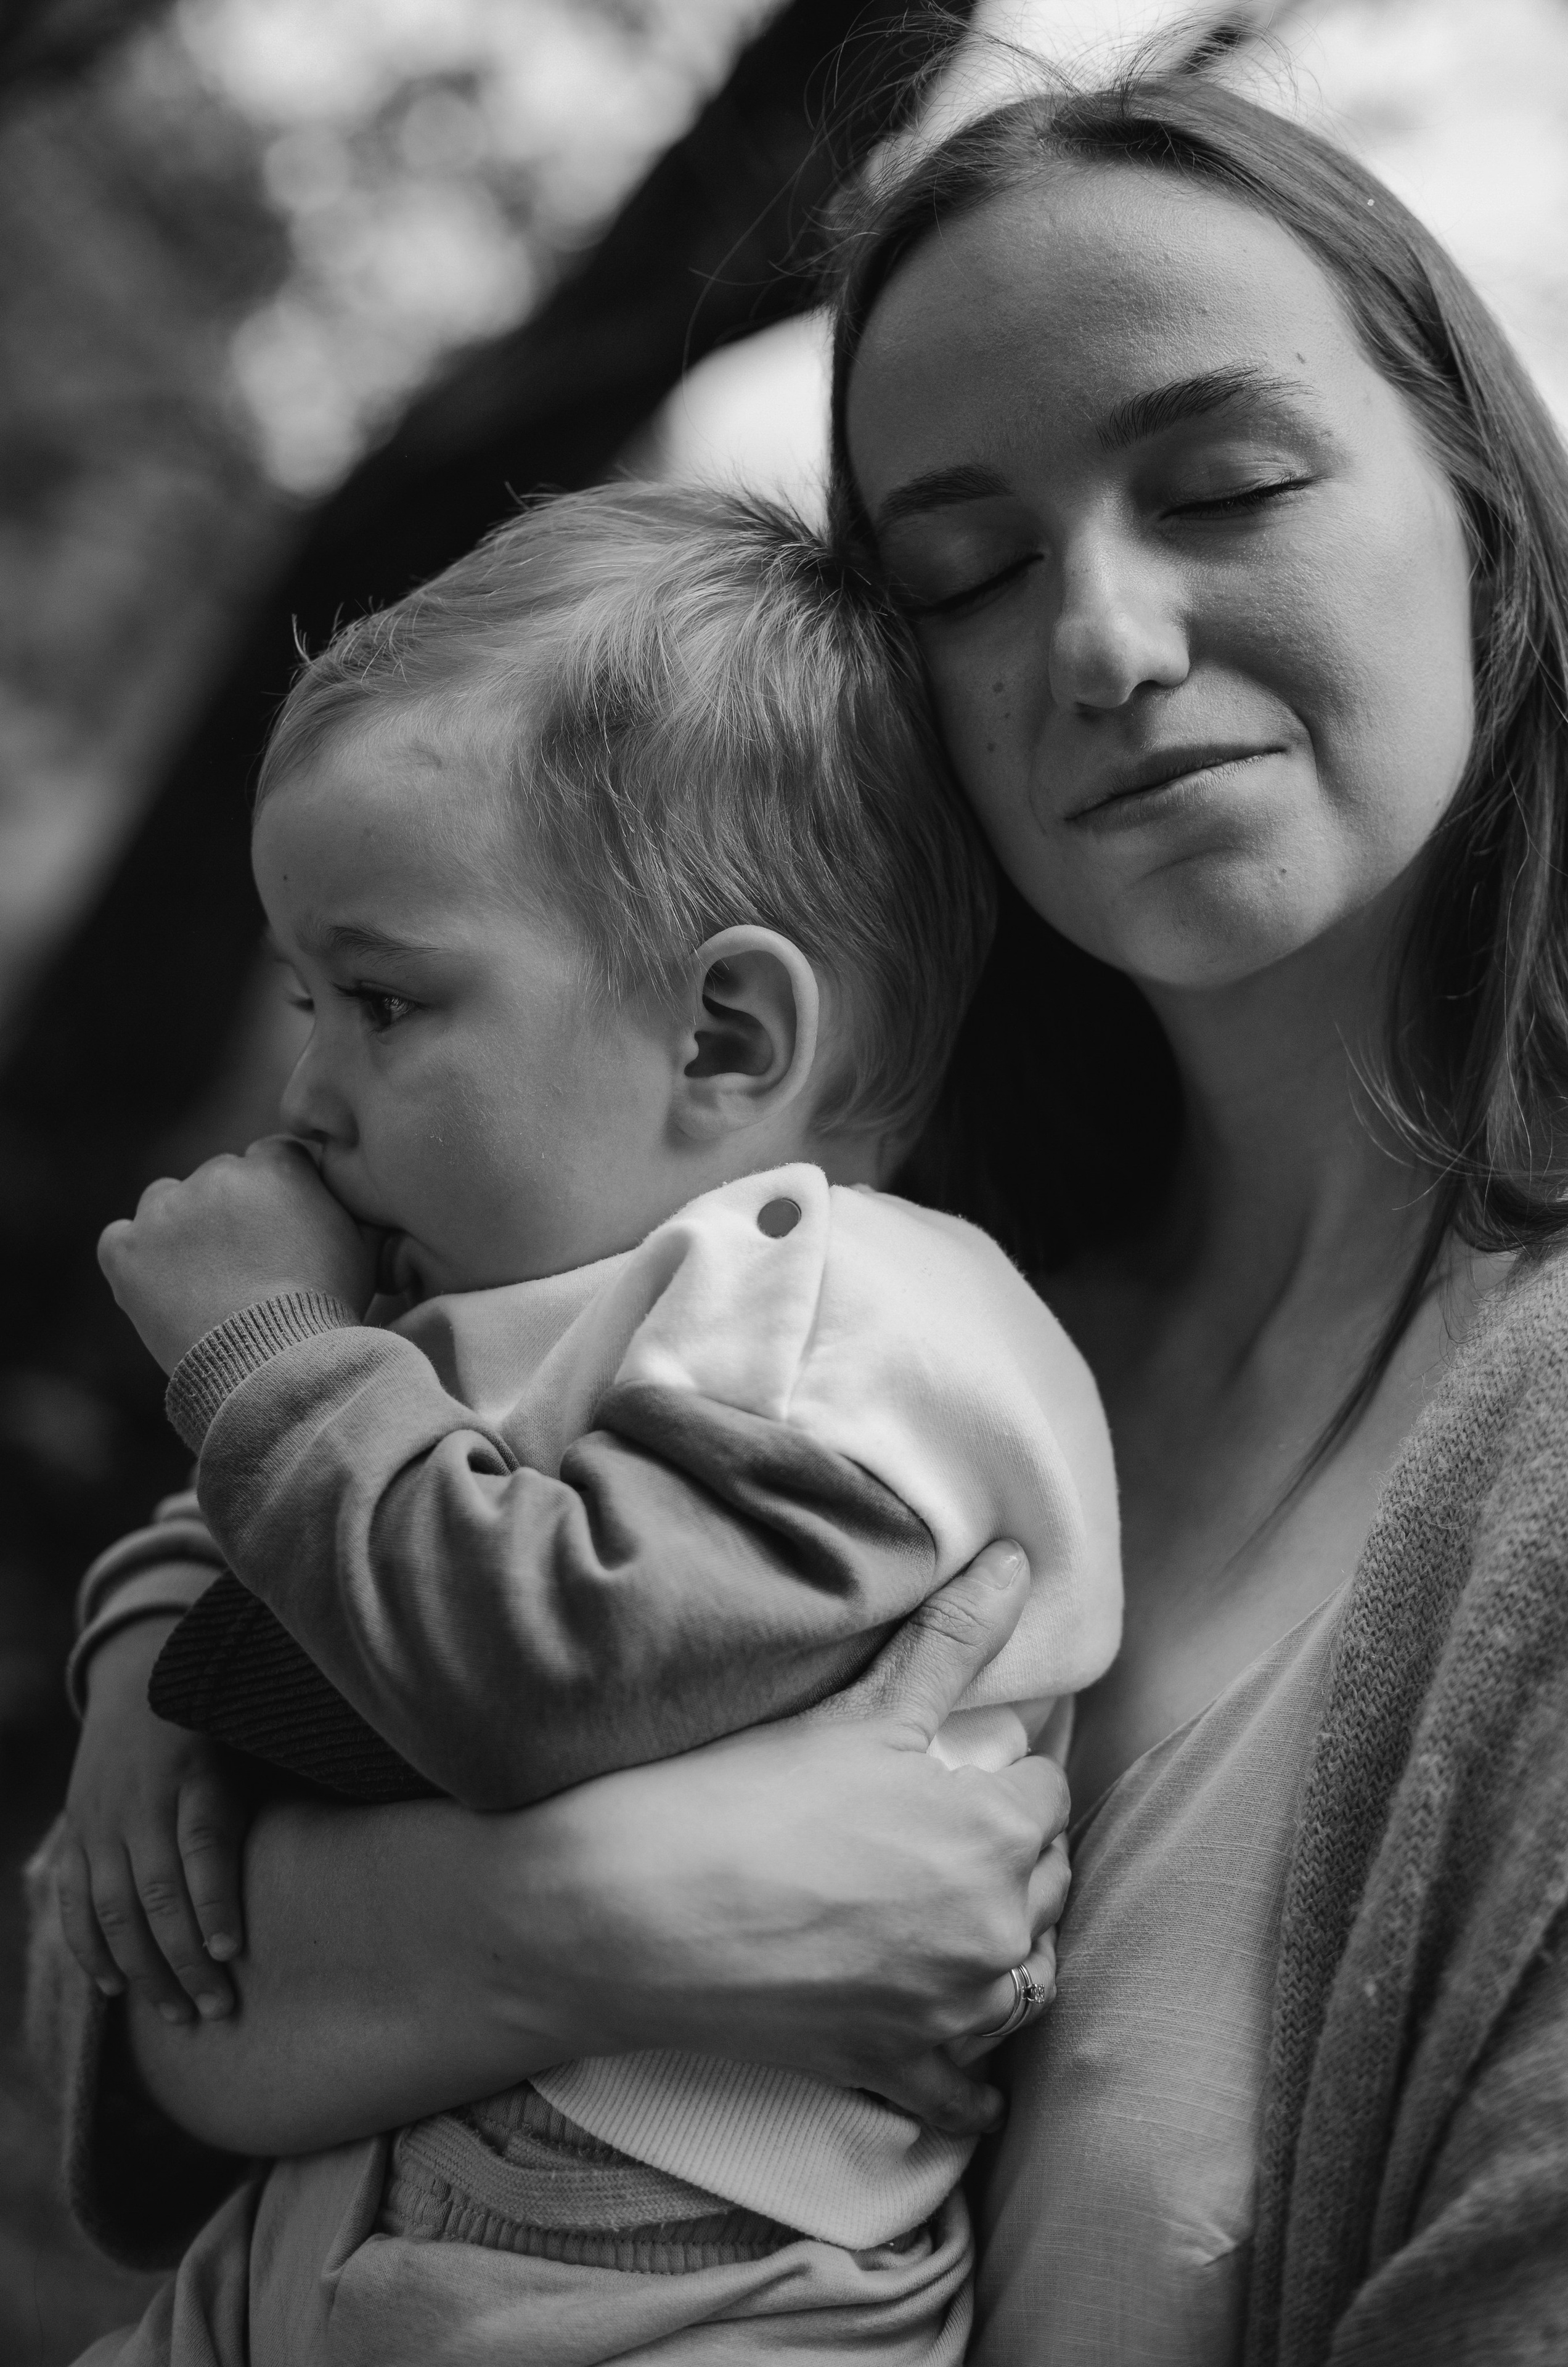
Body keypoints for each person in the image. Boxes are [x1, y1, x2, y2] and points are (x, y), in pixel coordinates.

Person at [30, 57, 1568, 2367]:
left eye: (1227, 482)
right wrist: (600, 1917)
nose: (1105, 641)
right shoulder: (752, 1249)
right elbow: (127, 2040)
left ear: (1475, 510)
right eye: (963, 571)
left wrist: (395, 1922)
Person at [52, 480, 1121, 2365]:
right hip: (389, 2187)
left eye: (384, 1000)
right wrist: (151, 1656)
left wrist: (267, 1357)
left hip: (675, 2272)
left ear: (724, 1040)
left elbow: (539, 1670)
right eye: (308, 995)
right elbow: (295, 1546)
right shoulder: (522, 1293)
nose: (309, 1087)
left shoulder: (843, 1319)